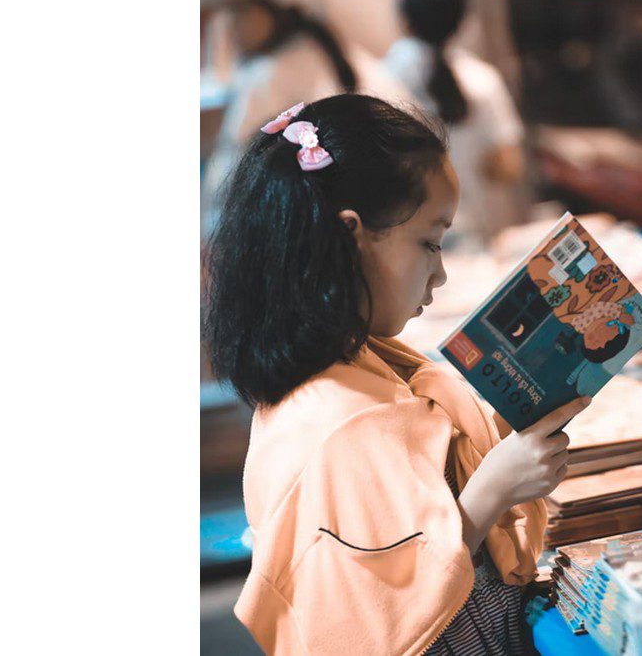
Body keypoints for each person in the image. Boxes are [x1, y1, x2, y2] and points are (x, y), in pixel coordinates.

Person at [202, 94, 591, 655]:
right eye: (430, 242)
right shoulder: (340, 424)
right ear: (352, 234)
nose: (440, 272)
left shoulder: (353, 364)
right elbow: (385, 623)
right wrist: (491, 492)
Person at [200, 0, 408, 236]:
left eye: (241, 11)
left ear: (279, 7)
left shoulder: (272, 73)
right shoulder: (328, 53)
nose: (231, 27)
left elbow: (230, 183)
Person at [382, 0, 528, 245]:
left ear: (404, 17)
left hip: (403, 240)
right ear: (460, 20)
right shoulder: (482, 79)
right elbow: (509, 166)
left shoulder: (380, 79)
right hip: (470, 233)